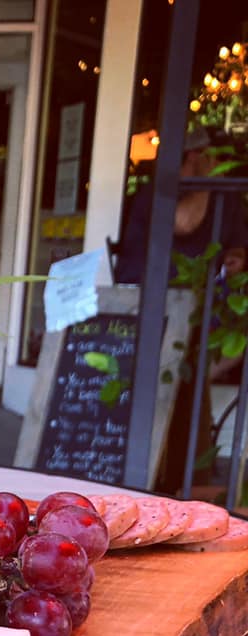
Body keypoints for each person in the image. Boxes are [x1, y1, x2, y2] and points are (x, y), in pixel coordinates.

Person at [115, 128, 248, 495]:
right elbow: (166, 234)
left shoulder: (226, 200)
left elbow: (237, 249)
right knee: (156, 376)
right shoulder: (152, 195)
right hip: (153, 311)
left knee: (195, 374)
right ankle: (156, 468)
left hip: (207, 313)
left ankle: (188, 475)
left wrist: (234, 260)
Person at [115, 126, 248, 285]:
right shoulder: (158, 189)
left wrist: (235, 257)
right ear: (194, 156)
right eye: (220, 156)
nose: (225, 163)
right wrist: (206, 180)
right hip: (147, 292)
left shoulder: (227, 196)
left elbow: (237, 242)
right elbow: (182, 224)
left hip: (202, 296)